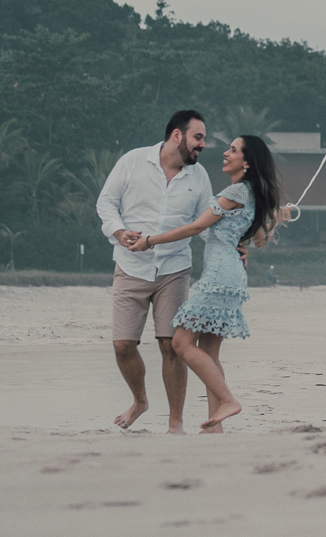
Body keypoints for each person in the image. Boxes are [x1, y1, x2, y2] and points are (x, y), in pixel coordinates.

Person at [128, 133, 285, 432]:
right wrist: (275, 218)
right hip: (232, 276)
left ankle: (228, 401)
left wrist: (150, 241)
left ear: (247, 162)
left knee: (181, 342)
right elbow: (259, 240)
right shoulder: (254, 194)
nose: (226, 153)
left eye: (233, 150)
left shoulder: (238, 191)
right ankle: (215, 428)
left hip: (219, 277)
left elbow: (197, 226)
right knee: (210, 353)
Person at [95, 109, 213, 433]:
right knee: (122, 345)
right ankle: (140, 401)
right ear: (178, 135)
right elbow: (105, 202)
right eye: (198, 137)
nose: (203, 145)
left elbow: (206, 223)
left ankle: (176, 421)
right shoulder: (133, 161)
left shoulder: (199, 176)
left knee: (170, 344)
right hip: (130, 264)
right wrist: (118, 231)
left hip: (174, 267)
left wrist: (235, 243)